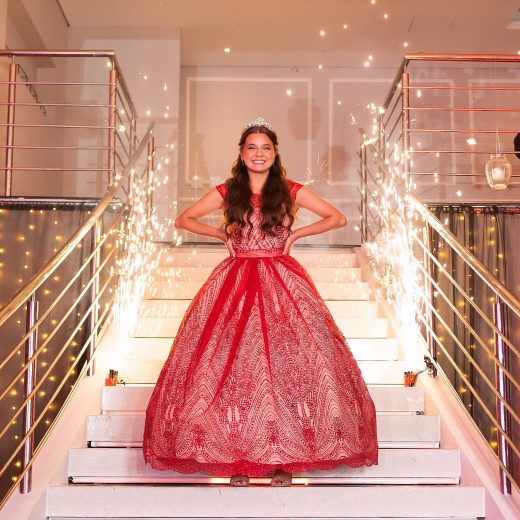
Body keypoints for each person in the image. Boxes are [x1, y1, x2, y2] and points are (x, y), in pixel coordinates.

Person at [143, 117, 378, 486]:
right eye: (252, 147)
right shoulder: (228, 191)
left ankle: (284, 461)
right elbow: (183, 219)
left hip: (280, 282)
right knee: (237, 369)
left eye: (265, 147)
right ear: (241, 153)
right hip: (236, 282)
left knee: (288, 369)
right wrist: (221, 234)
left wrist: (295, 235)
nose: (259, 153)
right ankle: (239, 460)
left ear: (274, 153)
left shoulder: (289, 189)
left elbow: (337, 217)